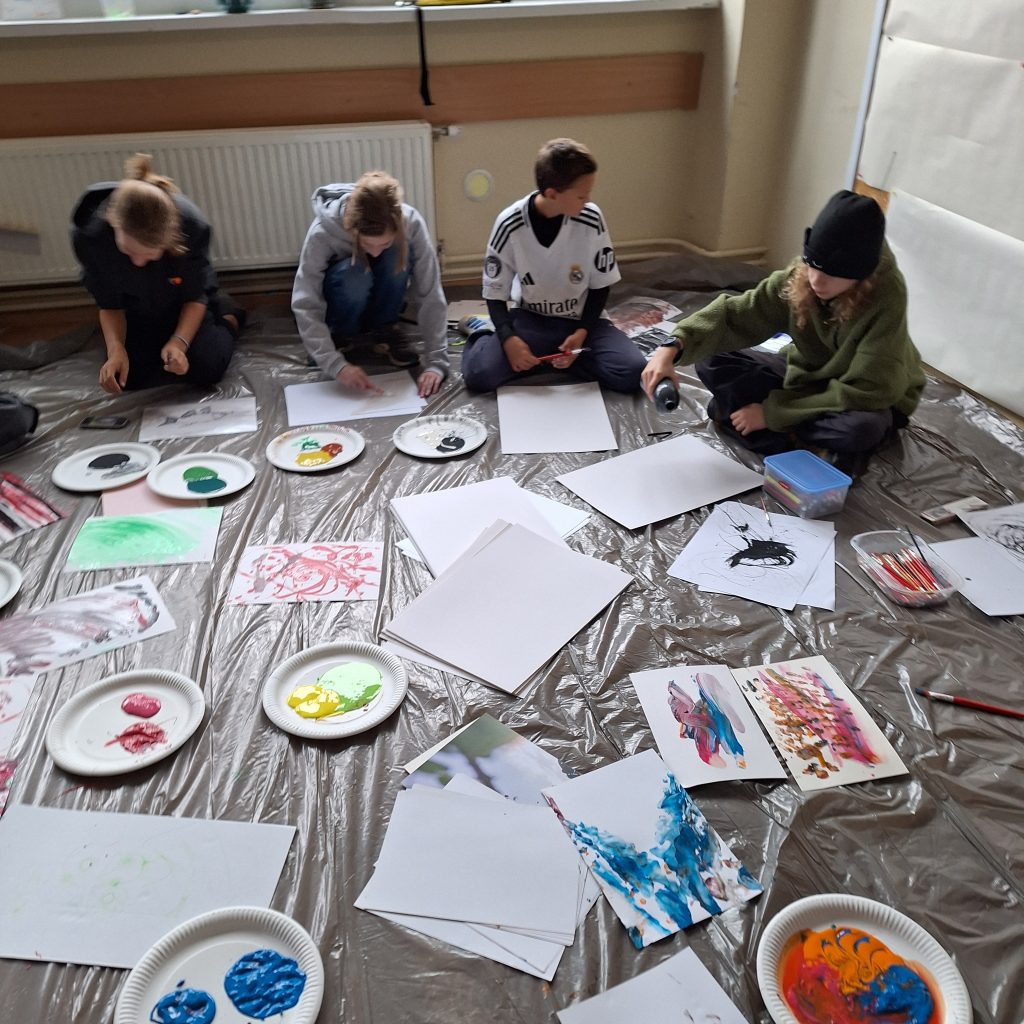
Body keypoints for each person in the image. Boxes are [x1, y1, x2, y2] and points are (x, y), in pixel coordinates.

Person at [641, 190, 925, 469]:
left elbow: (871, 388)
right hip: (807, 375)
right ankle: (803, 440)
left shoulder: (886, 297)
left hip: (868, 392)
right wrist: (672, 346)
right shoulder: (804, 274)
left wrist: (772, 414)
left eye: (831, 274)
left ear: (861, 275)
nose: (816, 280)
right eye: (812, 265)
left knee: (860, 429)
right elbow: (737, 314)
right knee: (711, 357)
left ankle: (767, 428)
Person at [462, 138, 646, 393]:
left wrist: (582, 331)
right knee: (479, 375)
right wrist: (508, 338)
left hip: (582, 321)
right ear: (552, 194)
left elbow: (600, 286)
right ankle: (485, 333)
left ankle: (554, 358)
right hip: (531, 320)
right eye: (581, 195)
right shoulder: (510, 224)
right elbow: (495, 293)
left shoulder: (591, 218)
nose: (588, 200)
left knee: (632, 372)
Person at [72, 154, 243, 394]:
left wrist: (179, 342)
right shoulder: (90, 239)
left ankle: (227, 317)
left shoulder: (192, 227)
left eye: (150, 255)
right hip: (136, 308)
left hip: (183, 301)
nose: (138, 262)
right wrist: (115, 349)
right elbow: (109, 305)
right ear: (113, 223)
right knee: (127, 377)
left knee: (208, 367)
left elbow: (194, 297)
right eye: (129, 252)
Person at [291, 172, 449, 398]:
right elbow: (306, 302)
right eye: (367, 244)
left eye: (384, 243)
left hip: (383, 298)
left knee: (398, 256)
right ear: (351, 228)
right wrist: (334, 363)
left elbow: (430, 291)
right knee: (355, 273)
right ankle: (341, 334)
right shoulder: (322, 232)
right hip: (342, 299)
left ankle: (385, 329)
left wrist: (437, 362)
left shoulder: (411, 222)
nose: (375, 252)